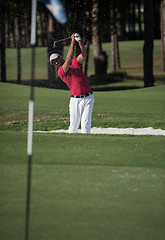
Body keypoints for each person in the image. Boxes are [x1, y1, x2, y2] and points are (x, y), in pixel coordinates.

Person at [50, 33, 94, 134]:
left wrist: (79, 41)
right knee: (73, 127)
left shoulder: (75, 63)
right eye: (53, 62)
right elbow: (69, 57)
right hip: (75, 101)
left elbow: (84, 54)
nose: (55, 63)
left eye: (56, 60)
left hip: (88, 98)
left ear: (60, 57)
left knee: (85, 125)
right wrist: (72, 41)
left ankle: (86, 147)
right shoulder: (61, 71)